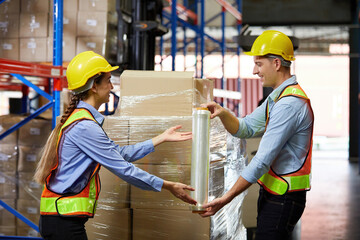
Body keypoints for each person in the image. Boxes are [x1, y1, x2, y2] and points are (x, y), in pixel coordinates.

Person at [34, 51, 197, 240]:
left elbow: (118, 154)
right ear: (94, 85)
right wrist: (168, 185)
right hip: (63, 221)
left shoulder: (83, 121)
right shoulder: (85, 127)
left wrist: (160, 138)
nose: (112, 87)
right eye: (109, 80)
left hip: (61, 219)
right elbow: (124, 169)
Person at [200, 30, 314, 240]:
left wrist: (226, 199)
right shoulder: (278, 97)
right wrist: (223, 112)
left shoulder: (289, 104)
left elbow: (262, 160)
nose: (255, 71)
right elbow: (246, 128)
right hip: (274, 193)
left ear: (277, 64)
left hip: (284, 197)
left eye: (259, 64)